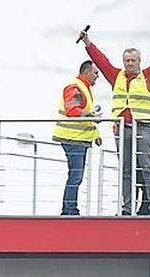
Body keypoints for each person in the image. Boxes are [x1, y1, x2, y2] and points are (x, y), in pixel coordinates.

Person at [81, 26, 150, 216]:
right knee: (125, 170)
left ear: (139, 62)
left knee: (148, 167)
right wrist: (88, 44)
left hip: (142, 128)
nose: (130, 64)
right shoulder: (116, 75)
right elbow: (101, 61)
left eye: (133, 60)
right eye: (127, 60)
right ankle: (126, 209)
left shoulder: (148, 76)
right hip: (122, 129)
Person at [53, 60, 103, 216]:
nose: (98, 76)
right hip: (72, 138)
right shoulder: (75, 87)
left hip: (78, 139)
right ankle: (69, 210)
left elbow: (85, 115)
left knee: (75, 175)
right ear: (87, 73)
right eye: (96, 73)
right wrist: (91, 116)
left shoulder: (84, 88)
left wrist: (95, 135)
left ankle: (69, 209)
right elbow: (72, 110)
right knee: (75, 176)